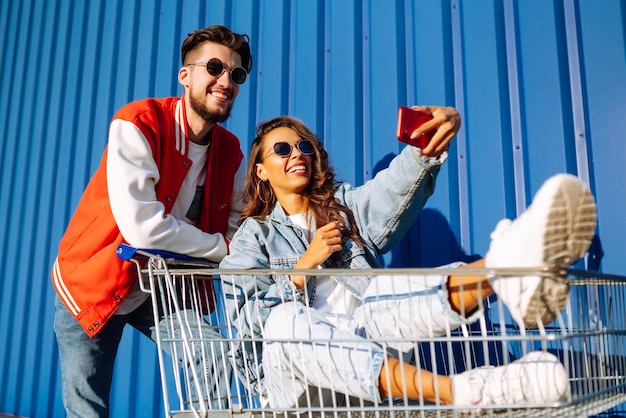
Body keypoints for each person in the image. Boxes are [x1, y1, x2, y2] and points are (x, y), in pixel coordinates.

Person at [218, 113, 598, 410]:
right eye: (282, 150)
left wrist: (426, 149)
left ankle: (505, 268)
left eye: (304, 146)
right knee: (285, 321)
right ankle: (459, 390)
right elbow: (247, 325)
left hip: (369, 368)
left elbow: (388, 193)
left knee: (385, 291)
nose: (297, 154)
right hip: (299, 391)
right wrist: (303, 269)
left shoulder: (343, 208)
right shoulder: (254, 236)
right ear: (261, 171)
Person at [52, 25, 252, 417]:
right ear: (185, 75)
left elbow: (238, 224)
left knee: (213, 354)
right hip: (94, 279)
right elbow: (142, 227)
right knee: (87, 410)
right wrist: (219, 249)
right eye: (214, 67)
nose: (225, 80)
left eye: (236, 74)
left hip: (159, 286)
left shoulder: (230, 152)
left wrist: (231, 246)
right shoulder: (138, 122)